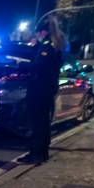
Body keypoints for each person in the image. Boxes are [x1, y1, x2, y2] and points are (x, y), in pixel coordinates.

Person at [24, 22, 62, 163]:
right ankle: (42, 153)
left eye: (38, 33)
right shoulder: (54, 46)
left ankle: (36, 154)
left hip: (40, 89)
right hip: (47, 88)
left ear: (43, 32)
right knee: (43, 122)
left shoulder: (47, 47)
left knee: (38, 123)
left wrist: (20, 64)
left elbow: (38, 66)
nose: (37, 35)